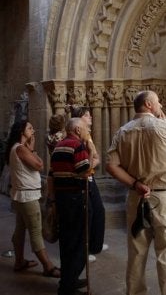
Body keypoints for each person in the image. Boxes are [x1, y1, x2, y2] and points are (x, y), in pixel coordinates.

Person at [106, 90, 166, 295]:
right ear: (149, 104)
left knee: (136, 253)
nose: (161, 104)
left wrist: (135, 184)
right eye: (158, 101)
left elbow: (111, 165)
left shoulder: (123, 132)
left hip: (137, 197)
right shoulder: (165, 127)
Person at [5, 120, 60, 277]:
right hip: (27, 196)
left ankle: (19, 261)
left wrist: (31, 148)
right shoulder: (21, 148)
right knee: (36, 231)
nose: (33, 130)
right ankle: (48, 267)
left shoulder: (17, 148)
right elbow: (39, 165)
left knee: (20, 230)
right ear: (22, 131)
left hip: (21, 195)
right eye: (30, 128)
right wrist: (33, 149)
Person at [50, 117, 94, 295]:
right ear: (77, 130)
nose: (86, 132)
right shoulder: (77, 146)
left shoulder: (59, 145)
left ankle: (68, 280)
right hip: (75, 200)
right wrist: (90, 152)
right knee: (78, 242)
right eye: (85, 129)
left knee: (67, 242)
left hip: (62, 199)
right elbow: (86, 172)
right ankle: (68, 287)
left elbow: (52, 174)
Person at [71, 106, 108, 262]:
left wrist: (90, 164)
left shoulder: (88, 137)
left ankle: (95, 244)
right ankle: (84, 250)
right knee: (88, 214)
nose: (91, 117)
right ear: (79, 120)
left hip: (90, 177)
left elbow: (97, 159)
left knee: (98, 210)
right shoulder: (78, 140)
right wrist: (90, 164)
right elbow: (85, 164)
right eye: (87, 115)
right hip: (82, 180)